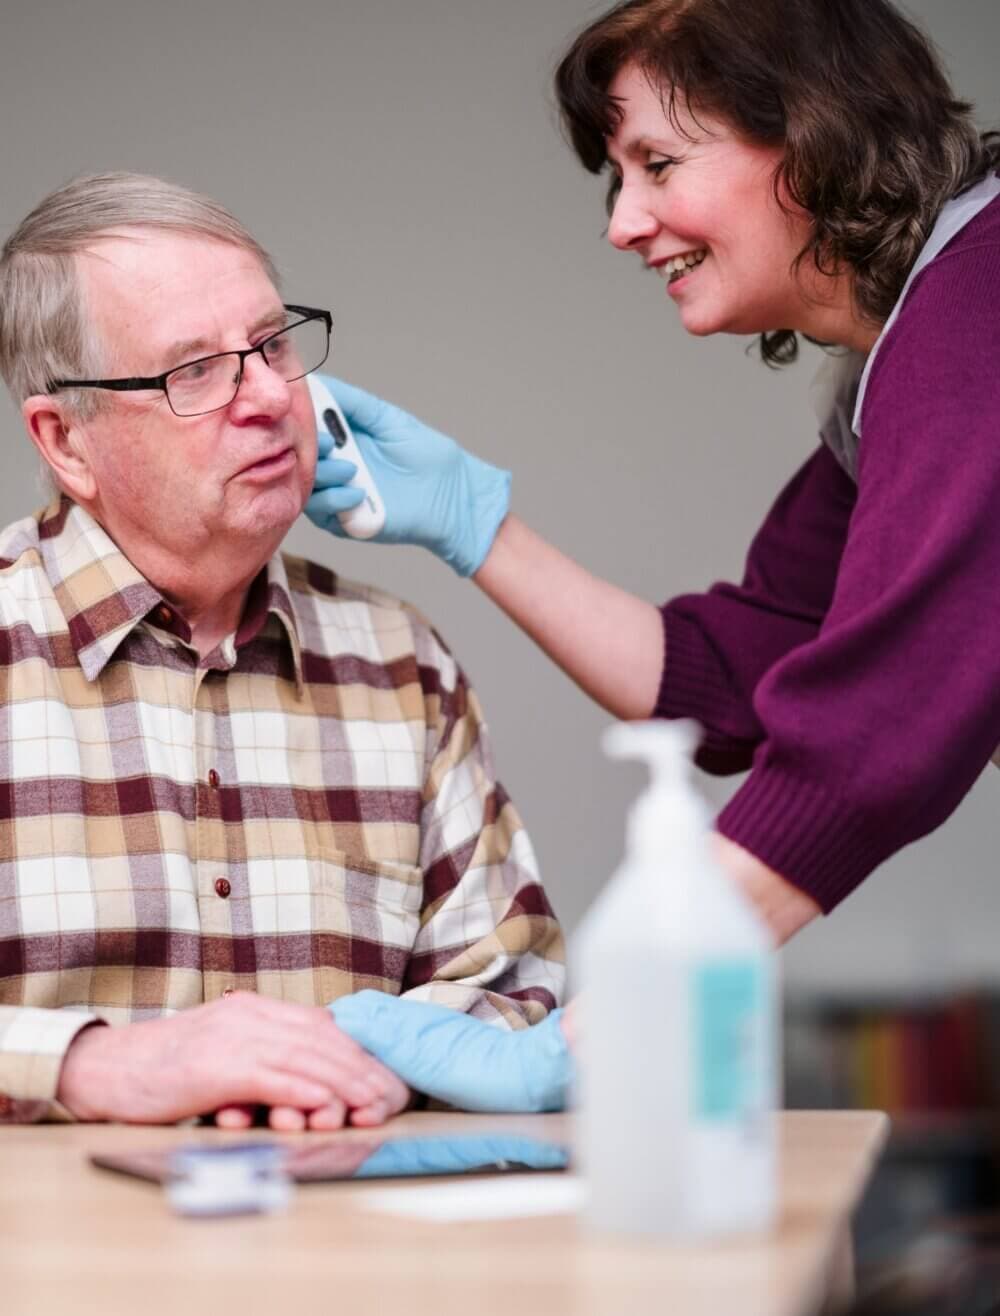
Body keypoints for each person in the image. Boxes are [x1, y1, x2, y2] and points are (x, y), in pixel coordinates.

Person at [307, 0, 1000, 1111]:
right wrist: (478, 528)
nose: (623, 222)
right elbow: (738, 680)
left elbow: (878, 729)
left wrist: (594, 1036)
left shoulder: (977, 320)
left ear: (816, 136)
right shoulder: (898, 370)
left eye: (658, 163)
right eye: (613, 179)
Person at [0, 172, 564, 1128]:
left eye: (270, 345)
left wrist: (381, 1071)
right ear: (66, 441)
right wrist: (100, 1066)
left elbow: (511, 985)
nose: (267, 396)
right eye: (195, 371)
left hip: (343, 1260)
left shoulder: (400, 662)